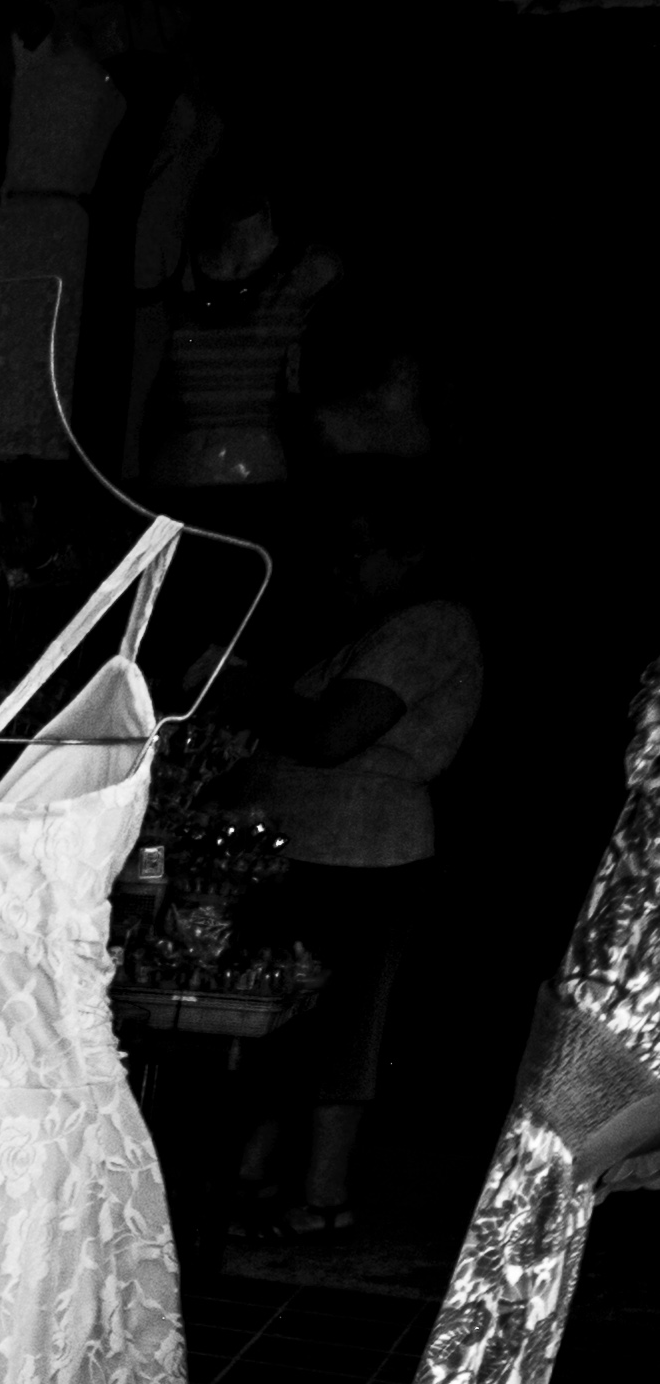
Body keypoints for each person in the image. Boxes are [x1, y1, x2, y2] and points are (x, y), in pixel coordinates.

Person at [253, 450, 482, 1231]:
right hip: (314, 844)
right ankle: (259, 1176)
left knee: (342, 1027)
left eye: (358, 551)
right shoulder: (372, 627)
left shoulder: (431, 625)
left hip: (364, 852)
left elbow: (331, 735)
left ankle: (322, 1195)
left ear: (410, 551)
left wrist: (247, 692)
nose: (340, 569)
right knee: (289, 1021)